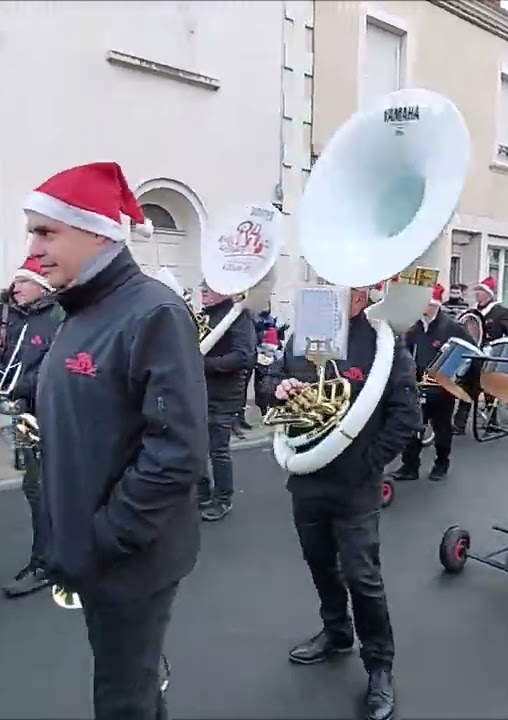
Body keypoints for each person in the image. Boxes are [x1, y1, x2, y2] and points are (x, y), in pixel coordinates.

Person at [25, 162, 207, 720]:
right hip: (93, 552)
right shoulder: (79, 309)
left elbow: (176, 453)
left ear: (96, 231)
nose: (33, 249)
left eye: (46, 232)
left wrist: (105, 537)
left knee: (121, 700)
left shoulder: (153, 311)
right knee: (134, 688)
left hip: (130, 559)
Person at [261, 281, 420, 720]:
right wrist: (278, 388)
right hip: (306, 476)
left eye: (341, 286)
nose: (328, 291)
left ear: (362, 295)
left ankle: (380, 667)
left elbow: (407, 415)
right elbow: (268, 384)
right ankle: (336, 632)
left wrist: (369, 463)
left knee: (362, 577)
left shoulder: (385, 345)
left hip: (355, 486)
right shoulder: (304, 334)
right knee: (319, 562)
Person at [0, 257, 64, 599]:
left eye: (23, 281)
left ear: (41, 286)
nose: (15, 286)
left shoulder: (58, 315)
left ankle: (46, 563)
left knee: (41, 487)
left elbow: (54, 366)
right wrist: (1, 378)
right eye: (16, 281)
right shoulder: (11, 313)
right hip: (27, 411)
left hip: (54, 412)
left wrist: (17, 387)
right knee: (37, 486)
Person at [395, 284, 474, 483]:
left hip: (441, 387)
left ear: (434, 305)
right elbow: (404, 349)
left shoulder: (451, 327)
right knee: (413, 426)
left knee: (441, 428)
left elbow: (469, 352)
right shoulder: (414, 326)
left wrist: (456, 376)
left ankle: (441, 463)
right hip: (417, 384)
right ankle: (410, 465)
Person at [198, 282, 257, 522]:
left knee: (218, 450)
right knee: (197, 447)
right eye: (202, 285)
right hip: (199, 392)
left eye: (208, 287)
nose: (202, 290)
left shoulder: (238, 316)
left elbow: (244, 356)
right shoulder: (203, 316)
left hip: (223, 396)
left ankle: (223, 499)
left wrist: (205, 364)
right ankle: (201, 494)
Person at [452, 276, 508, 433]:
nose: (477, 294)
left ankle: (492, 423)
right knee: (466, 388)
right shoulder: (472, 312)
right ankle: (459, 424)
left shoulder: (500, 312)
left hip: (490, 356)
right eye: (476, 291)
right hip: (473, 356)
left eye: (480, 291)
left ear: (489, 294)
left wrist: (502, 349)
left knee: (489, 391)